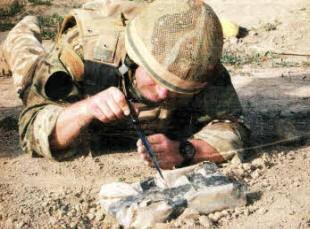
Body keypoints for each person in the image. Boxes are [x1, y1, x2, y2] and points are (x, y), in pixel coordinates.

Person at [0, 0, 250, 169]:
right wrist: (85, 108)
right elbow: (31, 126)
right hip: (80, 56)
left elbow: (232, 125)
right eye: (155, 78)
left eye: (177, 89)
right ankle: (21, 33)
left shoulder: (199, 65)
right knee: (27, 70)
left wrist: (185, 150)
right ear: (134, 59)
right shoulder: (82, 49)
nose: (163, 92)